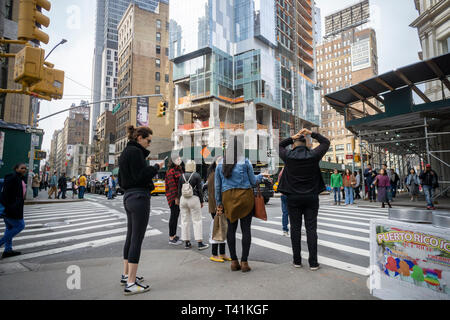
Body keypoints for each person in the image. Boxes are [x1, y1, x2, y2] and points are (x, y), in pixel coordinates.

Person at [118, 125, 163, 295]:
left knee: (130, 237)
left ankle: (126, 274)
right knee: (137, 238)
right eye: (148, 140)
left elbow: (122, 180)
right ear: (139, 138)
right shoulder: (136, 153)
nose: (149, 144)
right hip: (139, 197)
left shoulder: (125, 153)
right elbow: (141, 175)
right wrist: (156, 167)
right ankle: (131, 282)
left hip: (128, 197)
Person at [278, 128, 330, 271]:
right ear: (307, 143)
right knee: (311, 229)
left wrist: (291, 137)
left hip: (293, 197)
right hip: (311, 197)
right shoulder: (313, 155)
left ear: (294, 145)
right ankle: (313, 263)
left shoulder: (288, 155)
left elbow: (279, 146)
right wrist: (311, 133)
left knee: (294, 229)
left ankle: (297, 260)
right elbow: (326, 142)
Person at [215, 136, 267, 272]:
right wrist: (261, 176)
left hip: (228, 199)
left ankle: (234, 262)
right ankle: (244, 262)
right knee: (246, 230)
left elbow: (217, 187)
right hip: (245, 197)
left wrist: (219, 203)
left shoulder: (220, 164)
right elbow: (252, 181)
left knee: (231, 230)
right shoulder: (246, 162)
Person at [178, 160, 208, 251]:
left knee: (184, 220)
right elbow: (199, 190)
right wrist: (202, 201)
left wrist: (179, 199)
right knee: (197, 220)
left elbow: (179, 189)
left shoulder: (181, 176)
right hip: (193, 198)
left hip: (183, 199)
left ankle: (187, 242)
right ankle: (199, 243)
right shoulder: (196, 175)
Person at [0, 163, 27, 258]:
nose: (24, 170)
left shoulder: (19, 178)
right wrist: (10, 207)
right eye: (22, 168)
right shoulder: (12, 178)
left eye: (25, 168)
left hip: (14, 209)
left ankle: (8, 250)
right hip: (12, 210)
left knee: (10, 228)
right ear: (16, 169)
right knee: (21, 225)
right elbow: (4, 195)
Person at [207, 156, 231, 262]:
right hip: (216, 207)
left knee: (223, 229)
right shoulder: (213, 175)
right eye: (219, 161)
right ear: (215, 163)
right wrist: (218, 207)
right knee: (217, 228)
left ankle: (222, 253)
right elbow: (214, 194)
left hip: (220, 206)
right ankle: (214, 254)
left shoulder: (219, 173)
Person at [164, 156, 184, 245]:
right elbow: (172, 186)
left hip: (179, 196)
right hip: (173, 197)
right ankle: (171, 237)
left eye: (180, 159)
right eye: (178, 159)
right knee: (173, 216)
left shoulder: (179, 170)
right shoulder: (170, 172)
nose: (180, 160)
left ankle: (174, 235)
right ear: (173, 161)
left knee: (176, 216)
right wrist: (176, 198)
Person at [278, 167, 290, 236]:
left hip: (283, 194)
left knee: (285, 213)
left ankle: (285, 230)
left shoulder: (281, 172)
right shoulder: (291, 169)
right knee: (294, 213)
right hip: (291, 194)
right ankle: (295, 229)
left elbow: (279, 183)